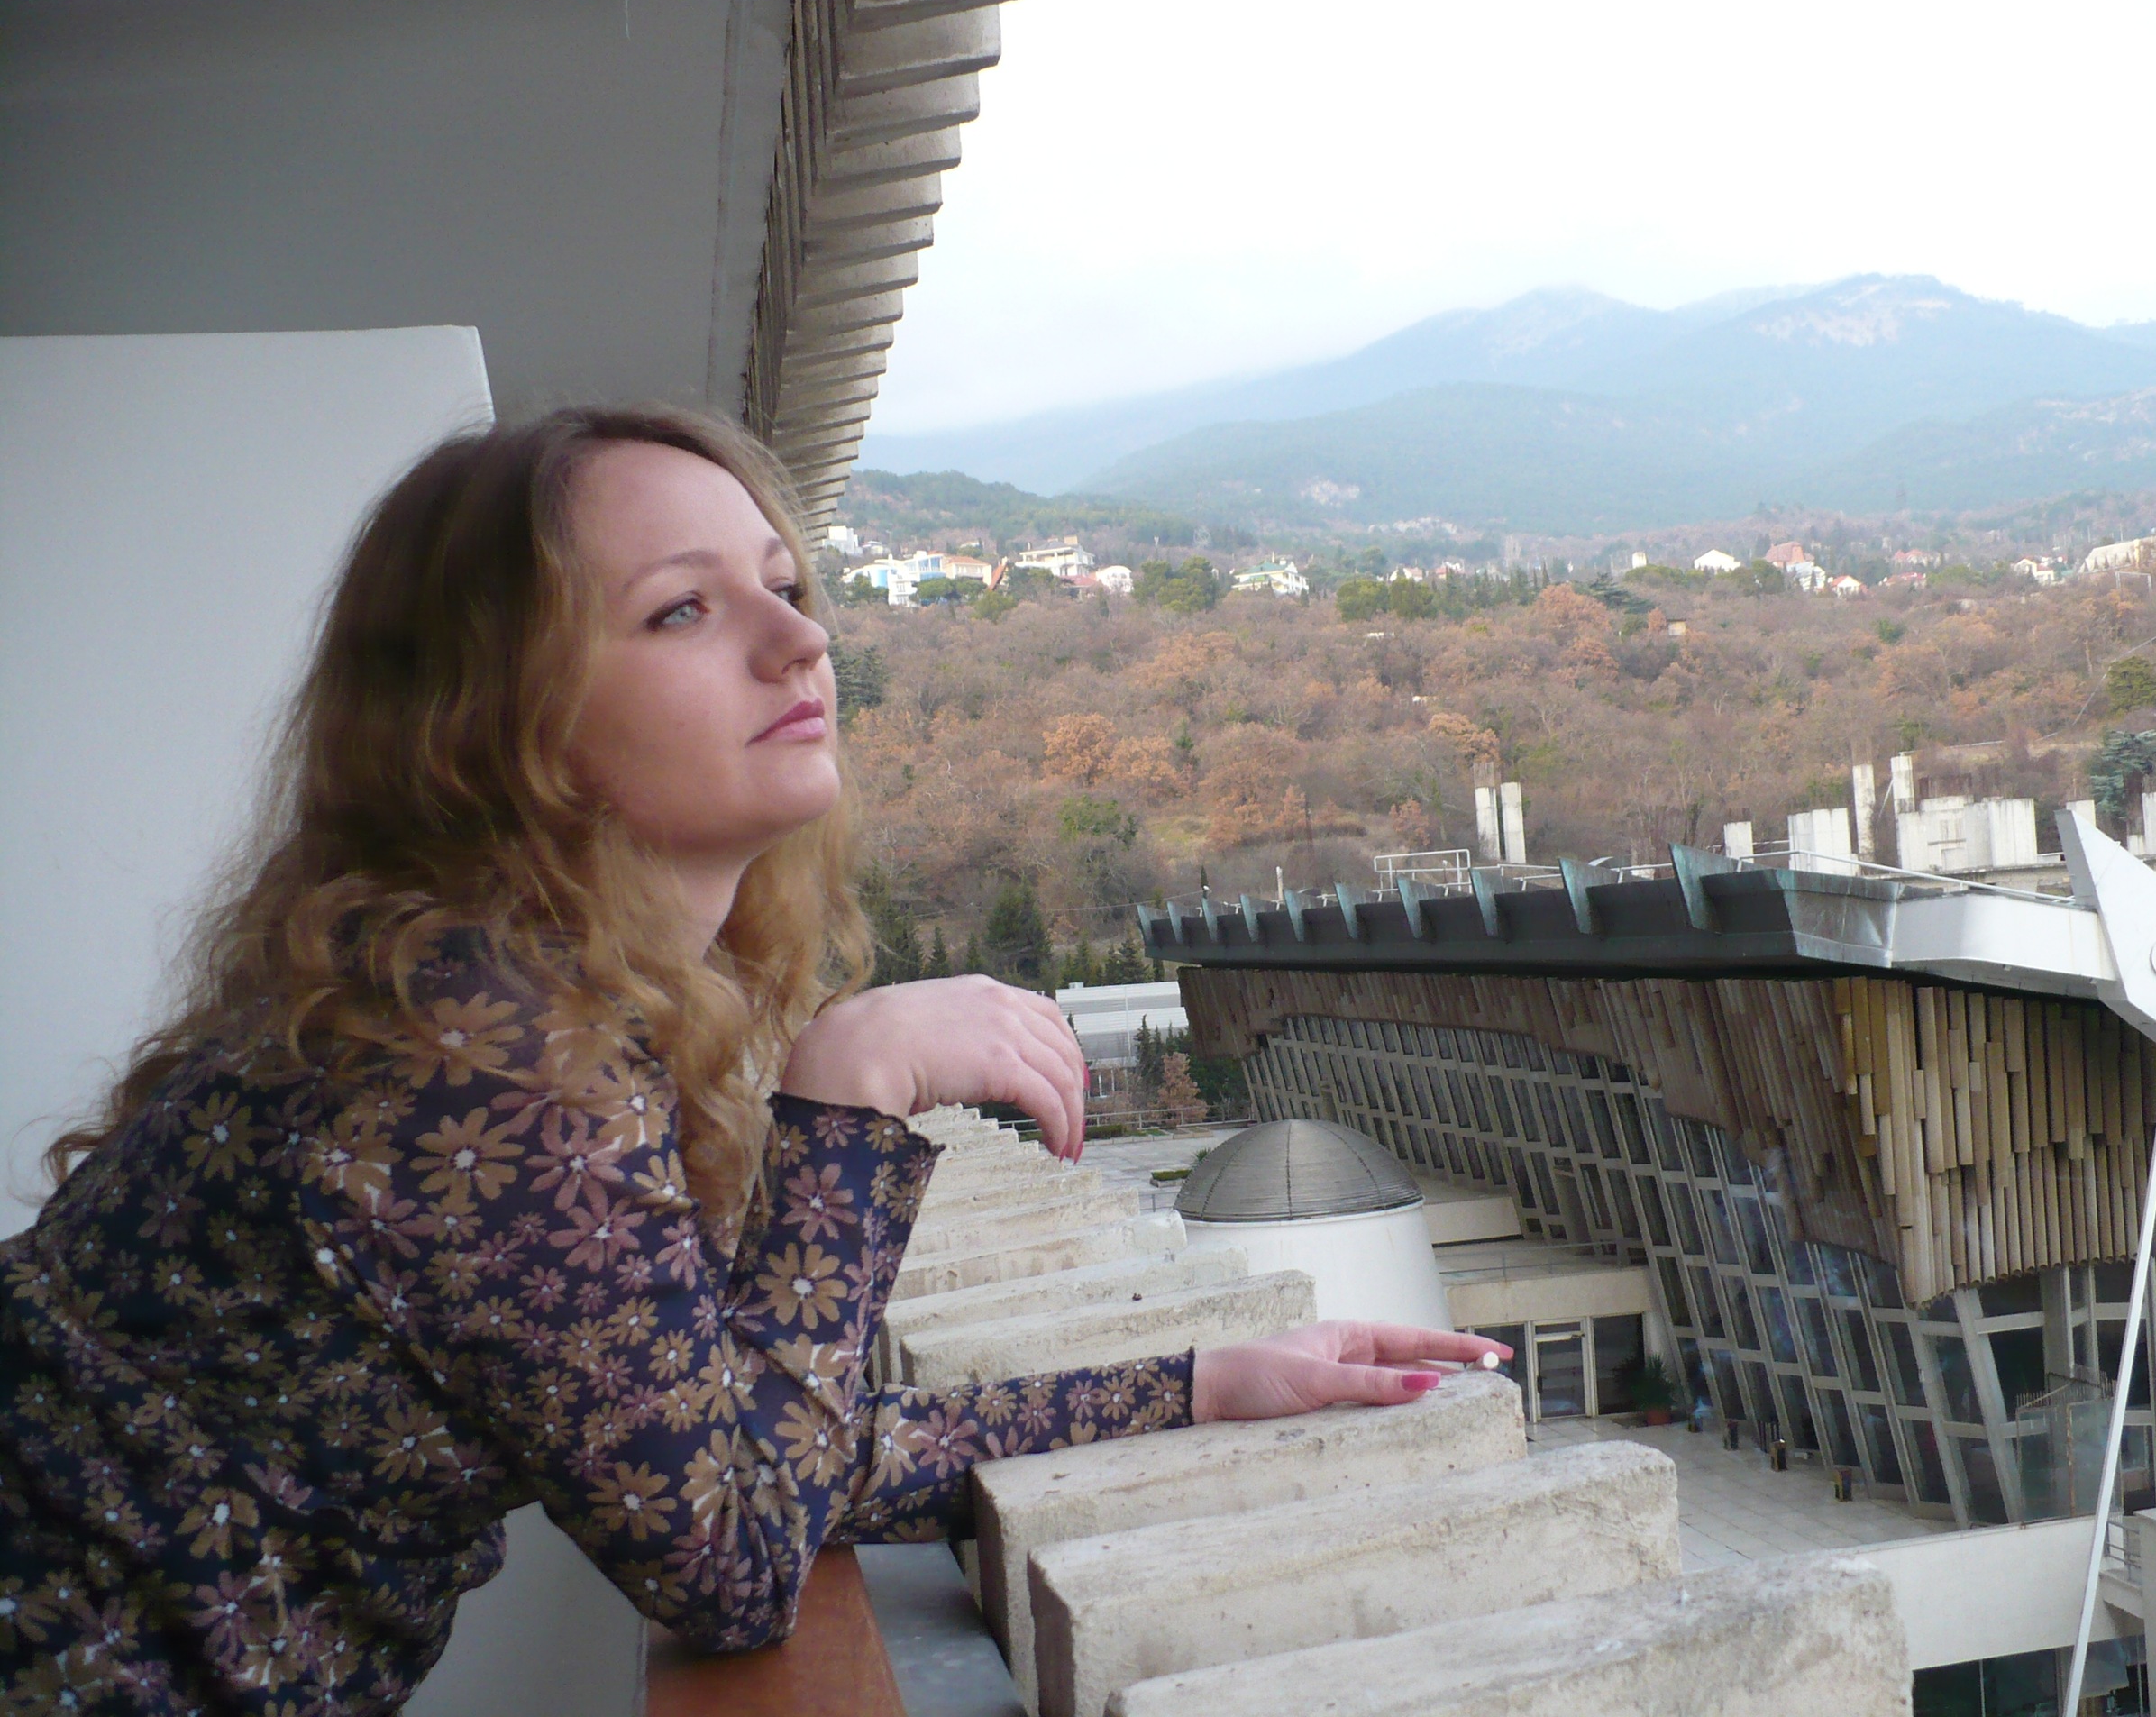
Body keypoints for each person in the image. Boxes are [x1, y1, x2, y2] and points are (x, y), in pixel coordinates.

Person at [0, 407, 1506, 1714]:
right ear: (497, 722)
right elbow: (733, 1561)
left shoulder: (516, 1007)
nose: (802, 641)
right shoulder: (483, 1057)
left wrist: (1200, 1382)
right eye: (682, 611)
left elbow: (742, 1449)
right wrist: (846, 1094)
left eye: (784, 588)